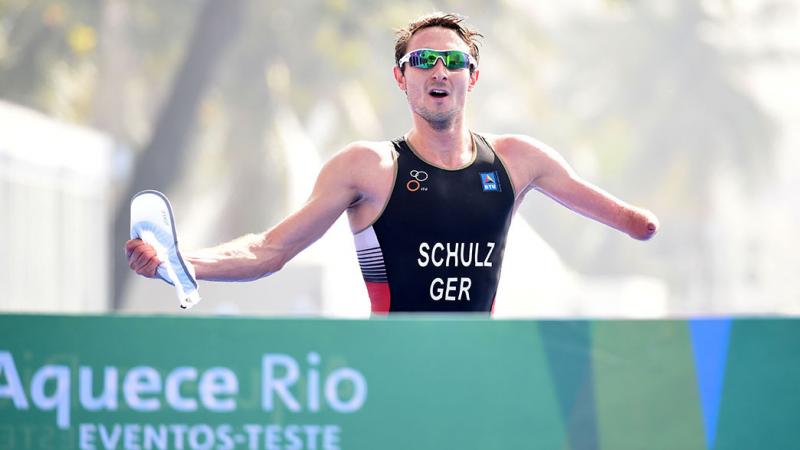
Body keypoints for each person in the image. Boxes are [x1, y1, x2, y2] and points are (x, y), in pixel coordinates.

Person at [126, 12, 659, 314]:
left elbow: (635, 224)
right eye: (422, 60)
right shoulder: (369, 167)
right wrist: (186, 262)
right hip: (395, 369)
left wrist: (645, 223)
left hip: (482, 371)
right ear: (401, 78)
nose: (439, 70)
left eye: (454, 61)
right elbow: (270, 249)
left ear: (471, 77)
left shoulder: (518, 160)